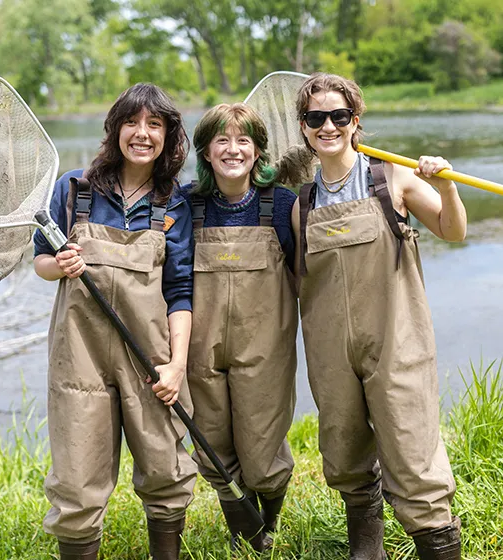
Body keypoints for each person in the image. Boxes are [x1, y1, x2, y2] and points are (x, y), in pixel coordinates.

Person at [292, 72, 467, 559]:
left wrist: (447, 184)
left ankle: (437, 545)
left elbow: (453, 231)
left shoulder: (394, 177)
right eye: (316, 118)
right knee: (344, 451)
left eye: (339, 116)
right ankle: (367, 548)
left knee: (414, 453)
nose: (328, 126)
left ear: (355, 121)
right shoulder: (300, 205)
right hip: (332, 352)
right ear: (304, 128)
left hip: (397, 342)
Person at [32, 83, 196, 560]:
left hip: (151, 357)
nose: (141, 134)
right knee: (77, 476)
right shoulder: (74, 188)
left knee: (165, 468)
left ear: (168, 136)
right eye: (132, 122)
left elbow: (180, 292)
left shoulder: (176, 204)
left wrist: (177, 365)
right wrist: (58, 265)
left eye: (154, 125)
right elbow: (42, 263)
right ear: (115, 129)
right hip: (79, 358)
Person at [185, 102, 300, 552]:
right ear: (206, 153)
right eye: (222, 141)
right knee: (212, 445)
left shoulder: (282, 205)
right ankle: (247, 535)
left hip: (266, 349)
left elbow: (310, 273)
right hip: (200, 351)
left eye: (244, 141)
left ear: (258, 152)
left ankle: (267, 520)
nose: (233, 150)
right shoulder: (186, 204)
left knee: (262, 450)